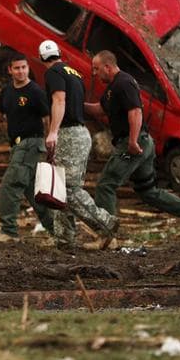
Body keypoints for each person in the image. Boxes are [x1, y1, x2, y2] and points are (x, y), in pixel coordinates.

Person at [39, 40, 118, 250]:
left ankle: (105, 222)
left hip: (69, 134)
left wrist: (53, 132)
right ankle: (64, 239)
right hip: (81, 133)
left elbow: (59, 101)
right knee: (60, 189)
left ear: (41, 59)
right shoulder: (74, 73)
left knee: (67, 189)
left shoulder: (53, 73)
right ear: (59, 54)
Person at [87, 50, 180, 219]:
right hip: (142, 142)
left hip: (133, 143)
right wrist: (75, 104)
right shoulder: (113, 87)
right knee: (147, 191)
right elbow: (100, 109)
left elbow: (136, 112)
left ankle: (107, 233)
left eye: (96, 69)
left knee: (105, 185)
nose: (94, 73)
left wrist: (132, 141)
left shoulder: (124, 83)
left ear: (107, 67)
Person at [0, 52, 54, 242]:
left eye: (24, 67)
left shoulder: (35, 91)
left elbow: (48, 118)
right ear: (10, 70)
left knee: (10, 186)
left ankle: (9, 232)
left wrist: (50, 144)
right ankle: (58, 231)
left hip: (31, 144)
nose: (21, 71)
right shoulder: (7, 91)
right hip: (17, 146)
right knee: (34, 194)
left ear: (28, 69)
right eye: (17, 68)